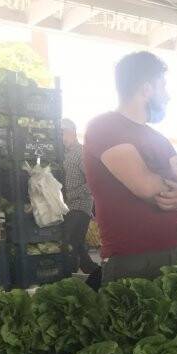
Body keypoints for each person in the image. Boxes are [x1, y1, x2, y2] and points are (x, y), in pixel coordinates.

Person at [83, 51, 177, 282]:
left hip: (174, 253)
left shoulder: (159, 139)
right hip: (131, 262)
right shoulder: (104, 127)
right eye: (163, 87)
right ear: (147, 89)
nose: (168, 96)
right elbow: (147, 187)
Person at [61, 118, 98, 275]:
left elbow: (94, 181)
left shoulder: (81, 153)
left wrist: (71, 195)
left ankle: (68, 277)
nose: (59, 137)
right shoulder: (63, 154)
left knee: (69, 244)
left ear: (70, 132)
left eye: (60, 133)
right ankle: (98, 277)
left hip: (80, 207)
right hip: (67, 207)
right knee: (78, 246)